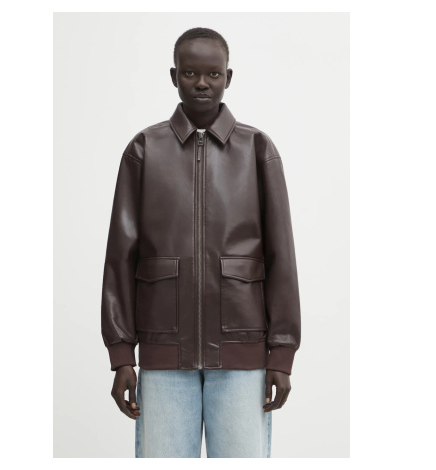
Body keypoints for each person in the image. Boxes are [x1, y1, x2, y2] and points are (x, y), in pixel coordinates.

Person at [101, 27, 301, 458]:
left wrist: (281, 353)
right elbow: (120, 256)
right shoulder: (144, 149)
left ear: (229, 77)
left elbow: (281, 256)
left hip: (243, 353)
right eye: (190, 73)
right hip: (163, 352)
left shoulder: (257, 148)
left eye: (213, 73)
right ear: (174, 76)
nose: (202, 83)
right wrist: (122, 356)